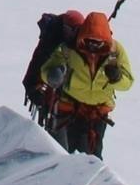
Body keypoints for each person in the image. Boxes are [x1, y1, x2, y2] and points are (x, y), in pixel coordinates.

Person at [29, 9, 132, 157]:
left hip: (97, 115)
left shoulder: (115, 52)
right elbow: (46, 70)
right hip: (70, 111)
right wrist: (53, 75)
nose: (92, 46)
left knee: (92, 156)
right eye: (89, 41)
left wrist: (117, 78)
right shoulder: (69, 49)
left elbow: (128, 82)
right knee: (70, 154)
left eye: (97, 43)